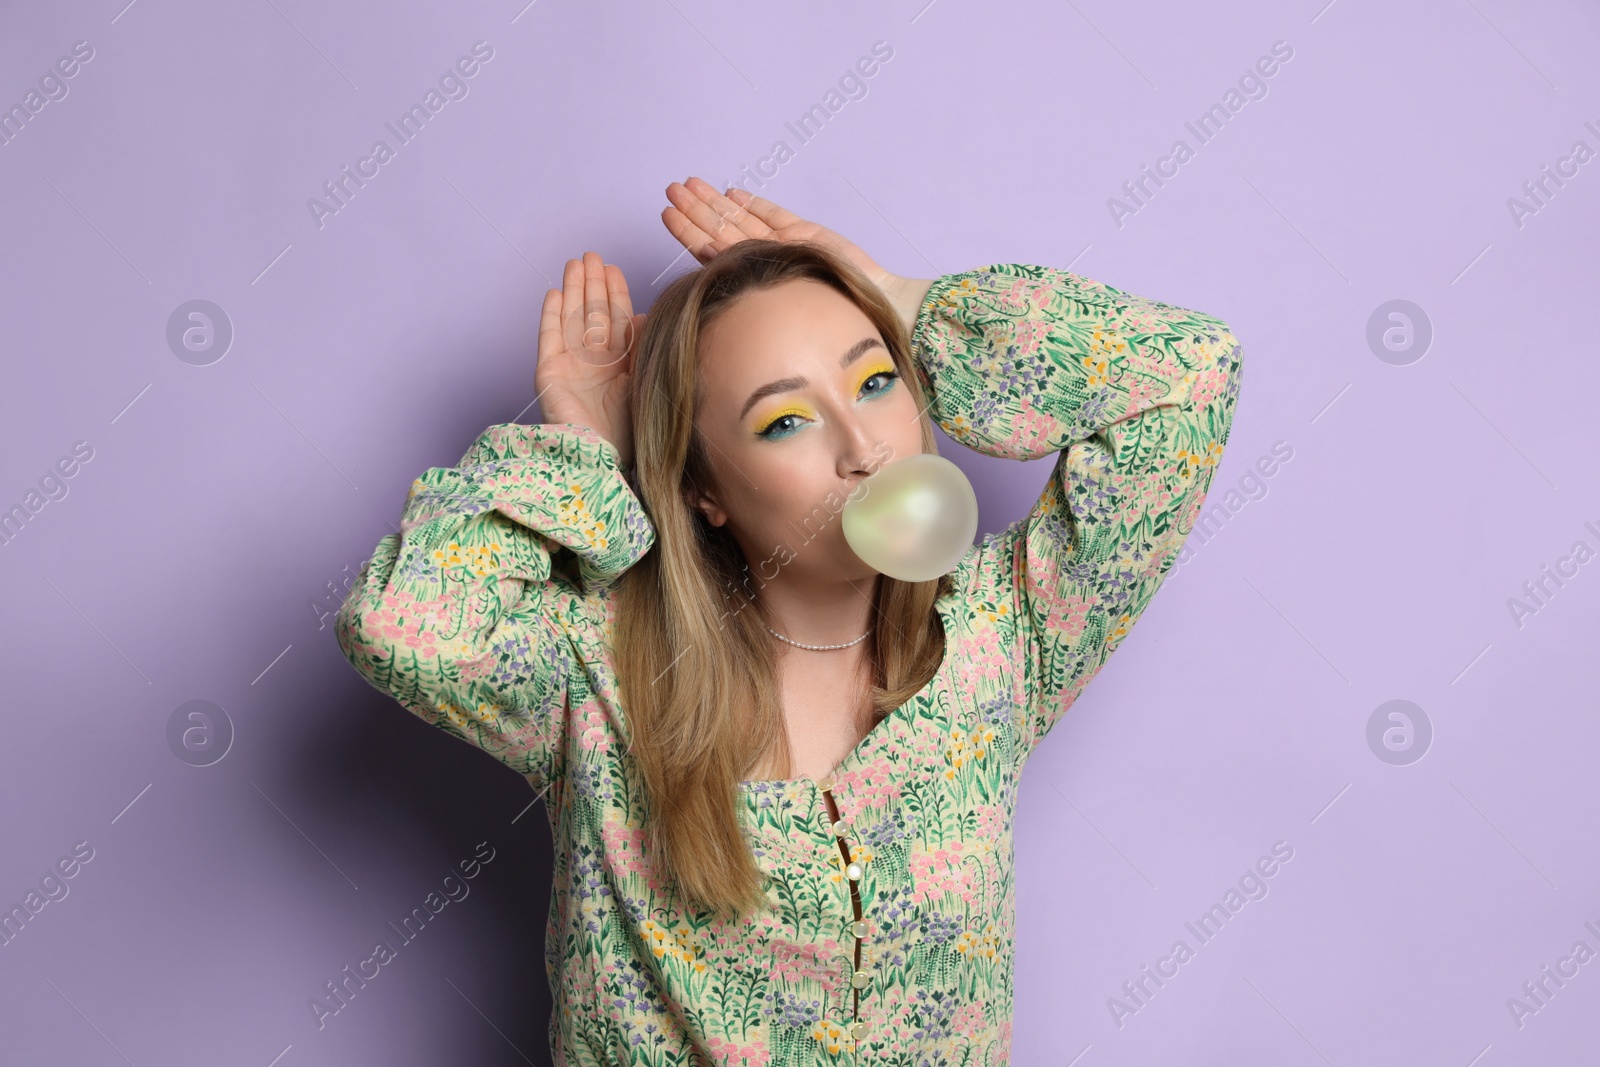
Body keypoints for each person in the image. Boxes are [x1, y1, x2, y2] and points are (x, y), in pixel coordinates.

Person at [335, 176, 1243, 1065]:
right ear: (704, 492)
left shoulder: (1003, 639)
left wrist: (901, 302)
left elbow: (1188, 374)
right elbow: (404, 625)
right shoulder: (596, 675)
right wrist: (584, 450)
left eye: (878, 379)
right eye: (785, 421)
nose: (864, 447)